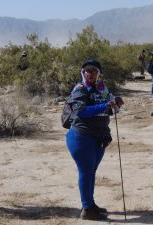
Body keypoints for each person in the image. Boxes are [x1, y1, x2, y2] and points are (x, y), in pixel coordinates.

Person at [65, 59, 124, 221]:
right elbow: (81, 111)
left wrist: (116, 102)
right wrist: (105, 105)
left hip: (99, 137)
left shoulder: (102, 89)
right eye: (87, 71)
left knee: (91, 172)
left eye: (94, 71)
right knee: (85, 171)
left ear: (99, 73)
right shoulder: (80, 89)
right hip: (81, 137)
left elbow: (111, 110)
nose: (90, 74)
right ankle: (87, 209)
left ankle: (90, 205)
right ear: (82, 73)